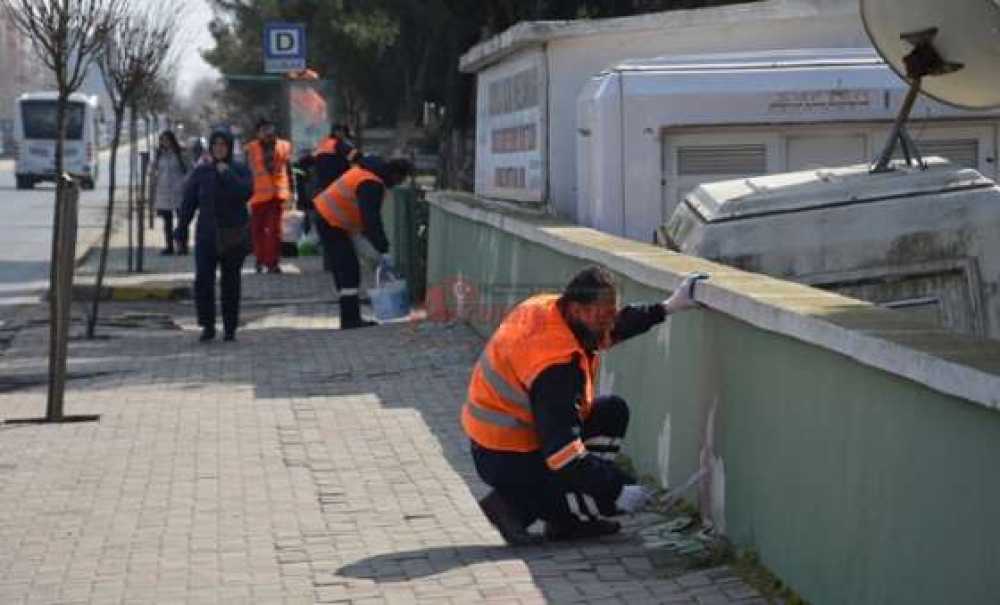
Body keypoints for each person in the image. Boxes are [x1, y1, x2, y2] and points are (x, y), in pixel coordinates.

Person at [465, 266, 709, 544]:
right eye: (603, 317)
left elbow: (617, 325)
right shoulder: (556, 367)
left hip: (506, 438)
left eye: (611, 313)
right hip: (508, 456)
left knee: (611, 412)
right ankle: (513, 507)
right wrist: (617, 489)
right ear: (577, 310)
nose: (609, 325)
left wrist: (668, 307)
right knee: (606, 500)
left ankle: (563, 519)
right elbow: (563, 455)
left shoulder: (552, 309)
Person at [312, 156, 413, 329]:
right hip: (332, 222)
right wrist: (383, 248)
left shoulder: (367, 172)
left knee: (344, 269)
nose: (397, 184)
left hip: (330, 219)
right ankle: (350, 320)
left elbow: (365, 218)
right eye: (400, 180)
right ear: (395, 174)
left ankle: (350, 317)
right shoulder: (371, 183)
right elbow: (371, 219)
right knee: (348, 270)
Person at [176, 131, 252, 342]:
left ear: (229, 147)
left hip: (232, 236)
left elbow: (245, 193)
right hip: (206, 235)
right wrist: (181, 229)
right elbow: (189, 203)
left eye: (223, 144)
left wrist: (227, 174)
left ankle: (230, 327)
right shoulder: (202, 172)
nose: (219, 148)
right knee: (203, 281)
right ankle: (207, 325)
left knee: (231, 283)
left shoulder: (239, 169)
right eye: (215, 144)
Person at [245, 118, 294, 274]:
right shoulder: (251, 149)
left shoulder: (284, 146)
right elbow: (245, 172)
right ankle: (260, 260)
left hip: (277, 195)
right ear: (258, 133)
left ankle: (272, 263)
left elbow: (289, 170)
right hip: (257, 196)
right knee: (257, 231)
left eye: (269, 129)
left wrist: (292, 192)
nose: (267, 133)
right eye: (263, 130)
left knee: (274, 230)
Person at [149, 130, 189, 255]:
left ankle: (182, 245)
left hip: (179, 191)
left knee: (182, 220)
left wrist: (184, 183)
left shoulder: (180, 154)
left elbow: (189, 170)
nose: (165, 143)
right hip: (164, 192)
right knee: (167, 222)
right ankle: (169, 246)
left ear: (172, 141)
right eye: (163, 140)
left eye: (167, 140)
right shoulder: (159, 155)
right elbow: (153, 171)